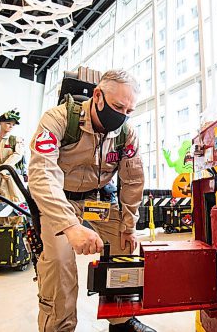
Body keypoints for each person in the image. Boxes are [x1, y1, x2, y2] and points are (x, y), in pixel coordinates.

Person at [29, 70, 154, 332]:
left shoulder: (126, 133)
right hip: (59, 202)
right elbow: (42, 175)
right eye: (118, 106)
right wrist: (70, 225)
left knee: (124, 244)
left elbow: (132, 180)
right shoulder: (58, 119)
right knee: (60, 263)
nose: (123, 115)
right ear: (98, 96)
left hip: (95, 202)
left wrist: (129, 225)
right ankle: (59, 328)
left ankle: (121, 320)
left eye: (129, 110)